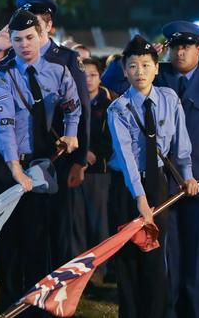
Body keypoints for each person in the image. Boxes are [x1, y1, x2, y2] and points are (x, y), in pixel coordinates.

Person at [101, 21, 199, 318]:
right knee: (166, 257)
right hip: (163, 186)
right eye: (174, 47)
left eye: (186, 47)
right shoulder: (153, 71)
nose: (180, 52)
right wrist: (147, 48)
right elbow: (111, 77)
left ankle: (197, 312)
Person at [0, 9, 80, 314]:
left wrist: (71, 134)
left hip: (42, 166)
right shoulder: (1, 77)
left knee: (40, 244)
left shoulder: (59, 72)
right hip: (9, 168)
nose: (25, 44)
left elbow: (73, 107)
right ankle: (10, 308)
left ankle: (37, 308)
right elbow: (5, 127)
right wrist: (15, 170)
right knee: (10, 247)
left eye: (30, 37)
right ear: (10, 41)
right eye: (18, 39)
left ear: (41, 36)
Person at [107, 35, 199, 318]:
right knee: (128, 258)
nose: (140, 72)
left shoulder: (169, 99)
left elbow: (181, 145)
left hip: (158, 182)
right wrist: (140, 200)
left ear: (157, 68)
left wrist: (188, 177)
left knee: (155, 256)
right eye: (133, 66)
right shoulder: (118, 109)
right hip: (126, 188)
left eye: (146, 65)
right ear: (125, 71)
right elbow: (125, 159)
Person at [80, 57, 113, 284]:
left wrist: (93, 155)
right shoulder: (73, 100)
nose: (88, 80)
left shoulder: (109, 103)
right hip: (76, 168)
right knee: (78, 222)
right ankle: (80, 269)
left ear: (100, 77)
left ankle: (100, 268)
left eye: (92, 74)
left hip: (99, 171)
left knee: (98, 221)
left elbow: (111, 139)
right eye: (84, 75)